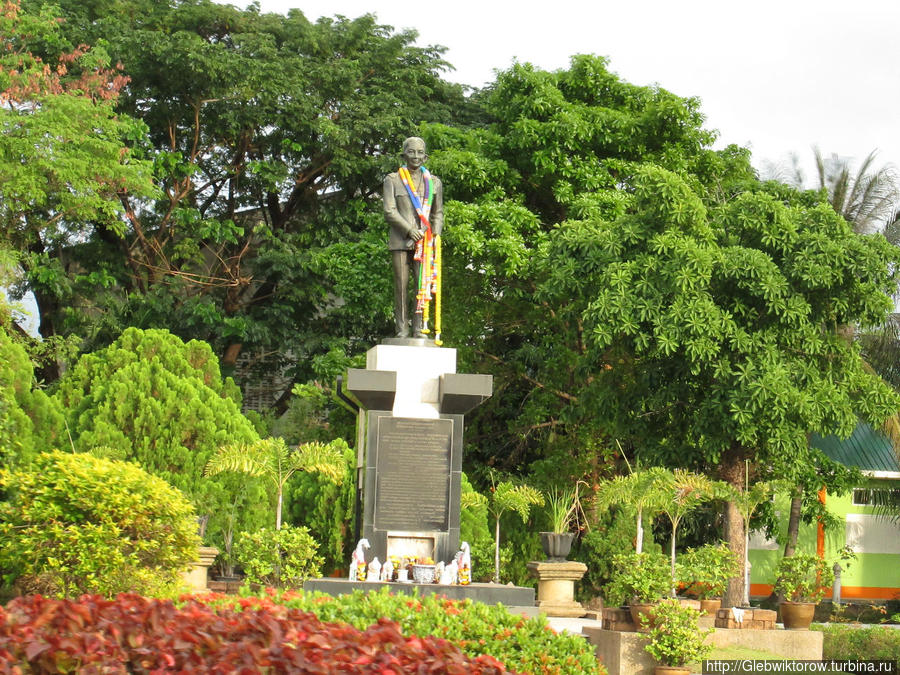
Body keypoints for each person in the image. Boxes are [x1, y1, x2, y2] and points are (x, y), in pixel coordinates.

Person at [383, 137, 443, 338]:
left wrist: (434, 234)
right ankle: (401, 329)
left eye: (420, 153)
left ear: (425, 156)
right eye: (411, 152)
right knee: (401, 284)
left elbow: (438, 213)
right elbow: (389, 211)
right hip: (401, 241)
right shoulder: (392, 180)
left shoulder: (434, 183)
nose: (415, 156)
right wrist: (410, 230)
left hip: (425, 243)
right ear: (404, 155)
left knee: (422, 284)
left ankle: (419, 328)